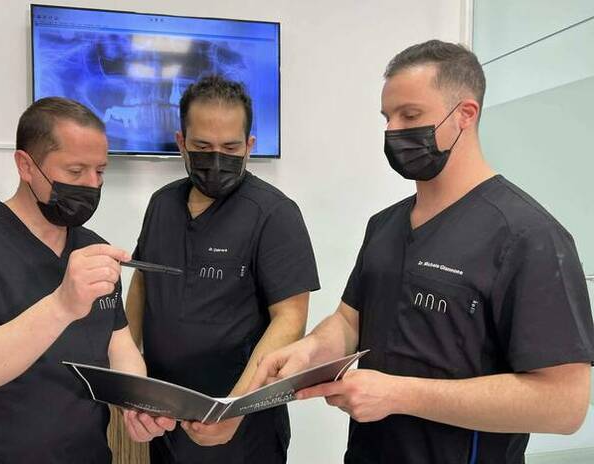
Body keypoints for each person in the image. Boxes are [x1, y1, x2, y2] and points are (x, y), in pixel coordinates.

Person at [253, 40, 594, 463]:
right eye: (388, 118)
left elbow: (564, 404)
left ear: (465, 114)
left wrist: (399, 394)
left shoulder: (527, 236)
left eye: (410, 116)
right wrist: (310, 351)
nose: (393, 131)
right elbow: (349, 321)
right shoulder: (385, 226)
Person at [0, 97, 175, 463]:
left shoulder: (93, 250)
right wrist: (62, 305)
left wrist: (139, 404)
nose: (92, 185)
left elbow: (119, 347)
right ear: (26, 165)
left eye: (100, 171)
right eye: (75, 171)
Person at [125, 75, 320, 463]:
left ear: (249, 145)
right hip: (165, 417)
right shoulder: (162, 204)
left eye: (230, 147)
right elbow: (143, 282)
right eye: (202, 147)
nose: (216, 159)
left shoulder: (274, 214)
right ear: (181, 142)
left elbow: (290, 319)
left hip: (242, 424)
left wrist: (233, 408)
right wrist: (129, 381)